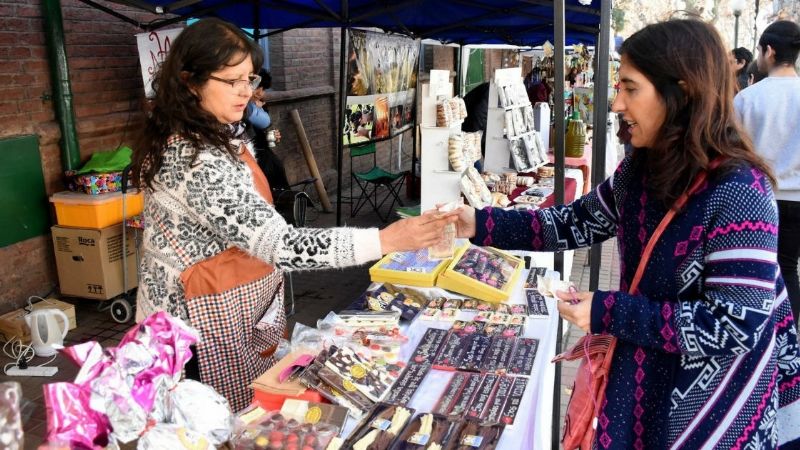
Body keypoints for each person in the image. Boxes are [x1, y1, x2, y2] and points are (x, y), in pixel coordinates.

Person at [453, 19, 800, 449]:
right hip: (640, 385)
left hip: (711, 411)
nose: (616, 103)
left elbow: (735, 326)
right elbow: (572, 222)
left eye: (630, 88)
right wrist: (478, 223)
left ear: (682, 91)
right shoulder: (640, 171)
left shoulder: (739, 193)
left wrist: (608, 311)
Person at [131, 18, 456, 410]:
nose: (245, 93)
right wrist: (386, 239)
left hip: (222, 302)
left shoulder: (216, 134)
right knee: (208, 421)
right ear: (189, 81)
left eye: (248, 79)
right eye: (231, 81)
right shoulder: (194, 159)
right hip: (191, 325)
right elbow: (281, 243)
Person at [735, 20, 800, 323]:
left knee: (751, 271)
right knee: (787, 269)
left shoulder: (748, 98)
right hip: (797, 200)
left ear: (769, 51)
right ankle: (786, 337)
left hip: (755, 198)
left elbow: (731, 152)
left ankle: (755, 333)